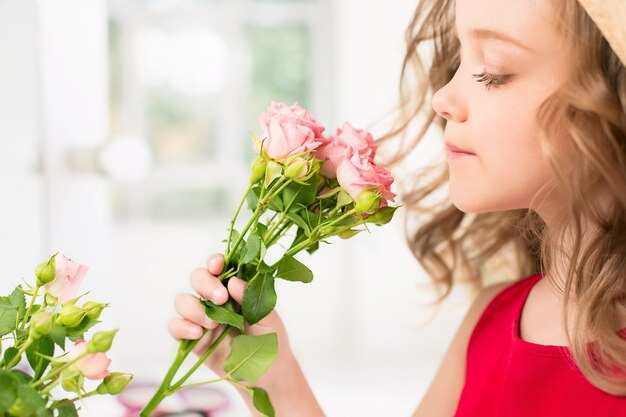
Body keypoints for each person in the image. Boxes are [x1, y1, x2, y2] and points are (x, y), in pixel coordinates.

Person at [168, 0, 626, 415]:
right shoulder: (487, 325)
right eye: (458, 61)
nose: (441, 97)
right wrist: (274, 379)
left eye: (492, 70)